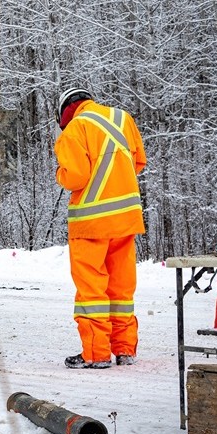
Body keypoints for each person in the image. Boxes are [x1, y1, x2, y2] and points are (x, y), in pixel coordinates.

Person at [53, 87, 147, 369]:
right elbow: (137, 162)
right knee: (121, 288)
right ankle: (125, 350)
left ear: (64, 113)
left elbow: (75, 177)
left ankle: (96, 354)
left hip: (91, 223)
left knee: (92, 290)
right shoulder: (123, 119)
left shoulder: (74, 130)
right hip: (126, 219)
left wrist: (60, 172)